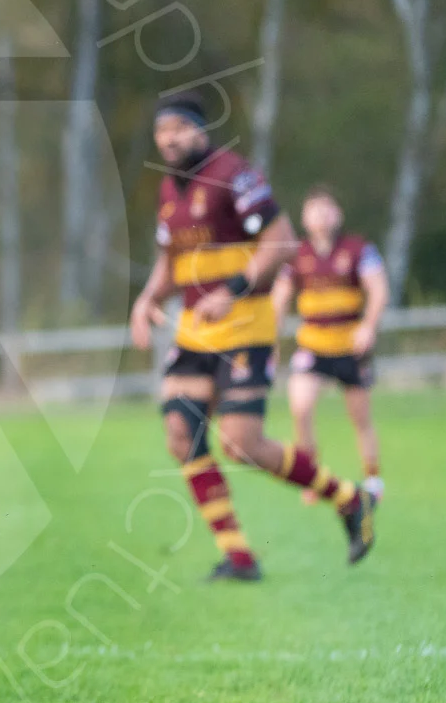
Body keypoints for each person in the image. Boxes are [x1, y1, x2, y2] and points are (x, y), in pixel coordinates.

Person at [129, 92, 377, 581]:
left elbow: (282, 241)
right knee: (181, 434)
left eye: (179, 128)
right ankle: (239, 556)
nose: (169, 138)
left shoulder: (232, 174)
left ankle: (349, 500)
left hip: (248, 325)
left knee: (242, 444)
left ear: (201, 130)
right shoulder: (168, 190)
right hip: (198, 332)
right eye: (162, 131)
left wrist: (236, 288)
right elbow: (168, 260)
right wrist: (147, 300)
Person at [271, 187, 389, 502]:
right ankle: (314, 476)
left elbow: (378, 289)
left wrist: (368, 326)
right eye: (314, 210)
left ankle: (373, 478)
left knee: (360, 417)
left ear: (338, 214)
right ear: (304, 218)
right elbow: (279, 298)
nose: (321, 215)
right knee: (301, 407)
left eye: (327, 208)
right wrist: (270, 336)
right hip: (313, 346)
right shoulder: (295, 255)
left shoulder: (358, 248)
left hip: (350, 345)